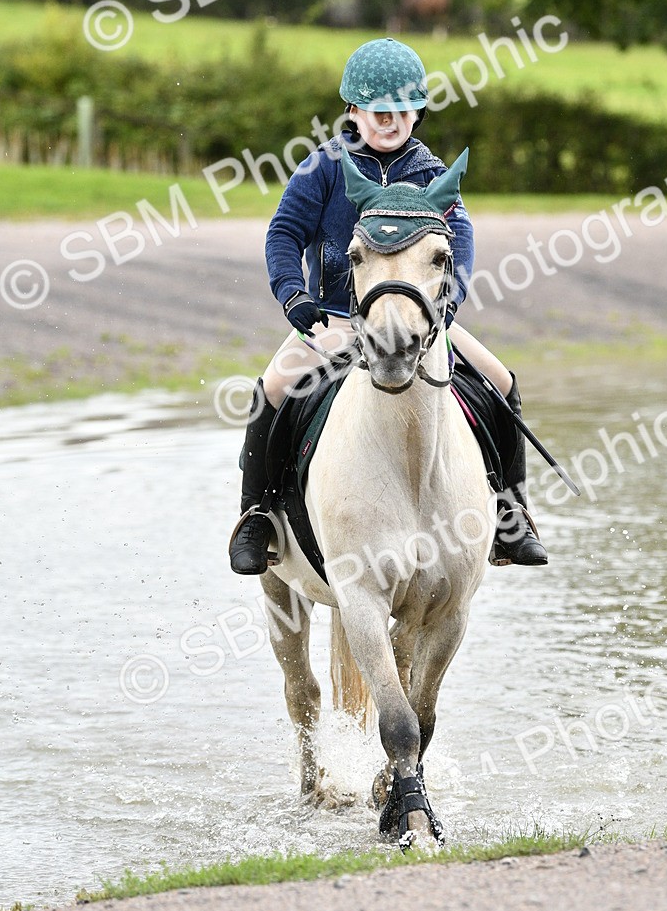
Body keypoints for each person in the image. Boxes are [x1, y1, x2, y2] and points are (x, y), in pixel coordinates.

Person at [229, 37, 549, 575]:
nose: (390, 121)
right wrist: (294, 297)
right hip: (335, 318)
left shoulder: (430, 172)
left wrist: (446, 308)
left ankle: (510, 511)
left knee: (502, 383)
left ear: (417, 111)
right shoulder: (324, 168)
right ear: (354, 111)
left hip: (422, 323)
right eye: (378, 111)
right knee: (272, 391)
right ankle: (257, 514)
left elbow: (461, 239)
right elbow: (284, 234)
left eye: (402, 110)